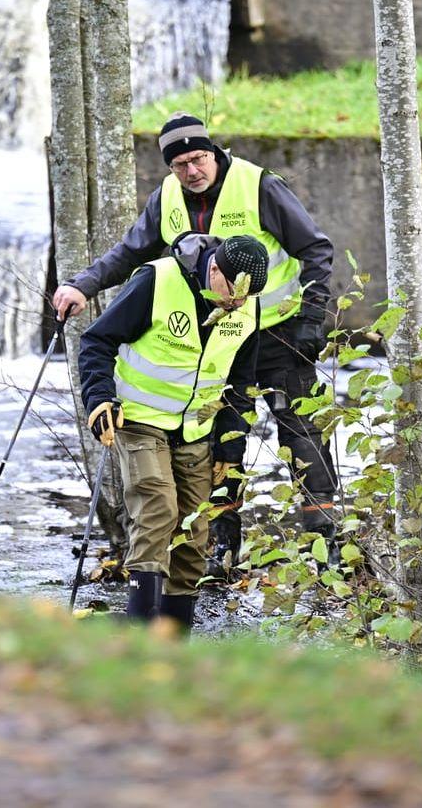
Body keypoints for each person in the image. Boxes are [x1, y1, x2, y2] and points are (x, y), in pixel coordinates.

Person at [54, 112, 340, 580]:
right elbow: (130, 253)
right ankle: (222, 547)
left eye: (200, 159)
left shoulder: (258, 185)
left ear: (215, 152)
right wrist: (83, 285)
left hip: (280, 333)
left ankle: (325, 541)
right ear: (170, 168)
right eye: (181, 164)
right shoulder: (165, 198)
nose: (192, 171)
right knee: (223, 441)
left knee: (300, 431)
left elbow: (316, 249)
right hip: (219, 343)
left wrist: (312, 318)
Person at [78, 233, 266, 633]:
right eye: (232, 293)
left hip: (196, 430)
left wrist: (231, 449)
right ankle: (142, 631)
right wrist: (99, 399)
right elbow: (97, 339)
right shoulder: (157, 280)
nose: (236, 304)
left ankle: (176, 636)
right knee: (157, 508)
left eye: (246, 299)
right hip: (139, 419)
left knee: (195, 530)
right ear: (214, 269)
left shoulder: (247, 308)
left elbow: (241, 382)